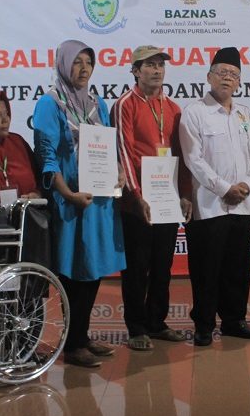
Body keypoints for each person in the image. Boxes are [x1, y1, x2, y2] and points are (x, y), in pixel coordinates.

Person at [34, 40, 127, 368]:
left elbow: (108, 145)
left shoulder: (96, 103)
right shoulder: (50, 104)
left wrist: (116, 171)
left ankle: (83, 335)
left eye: (89, 62)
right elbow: (47, 156)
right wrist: (68, 194)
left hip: (98, 201)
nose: (84, 68)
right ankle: (72, 344)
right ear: (63, 64)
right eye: (77, 62)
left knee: (94, 268)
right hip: (71, 203)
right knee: (75, 273)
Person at [179, 47, 250, 347]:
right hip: (209, 206)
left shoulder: (244, 113)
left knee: (238, 268)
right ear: (209, 77)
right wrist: (224, 187)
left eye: (233, 75)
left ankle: (234, 321)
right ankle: (203, 324)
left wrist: (247, 185)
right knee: (206, 269)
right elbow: (194, 159)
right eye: (222, 73)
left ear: (239, 82)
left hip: (242, 204)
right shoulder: (194, 113)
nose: (227, 78)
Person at [112, 45, 193, 351]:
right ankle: (136, 328)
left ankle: (157, 322)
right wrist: (136, 196)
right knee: (136, 267)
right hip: (138, 203)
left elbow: (181, 157)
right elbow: (124, 152)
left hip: (167, 200)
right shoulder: (125, 105)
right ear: (135, 71)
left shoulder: (172, 108)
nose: (157, 70)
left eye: (160, 65)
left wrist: (185, 194)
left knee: (163, 265)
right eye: (149, 65)